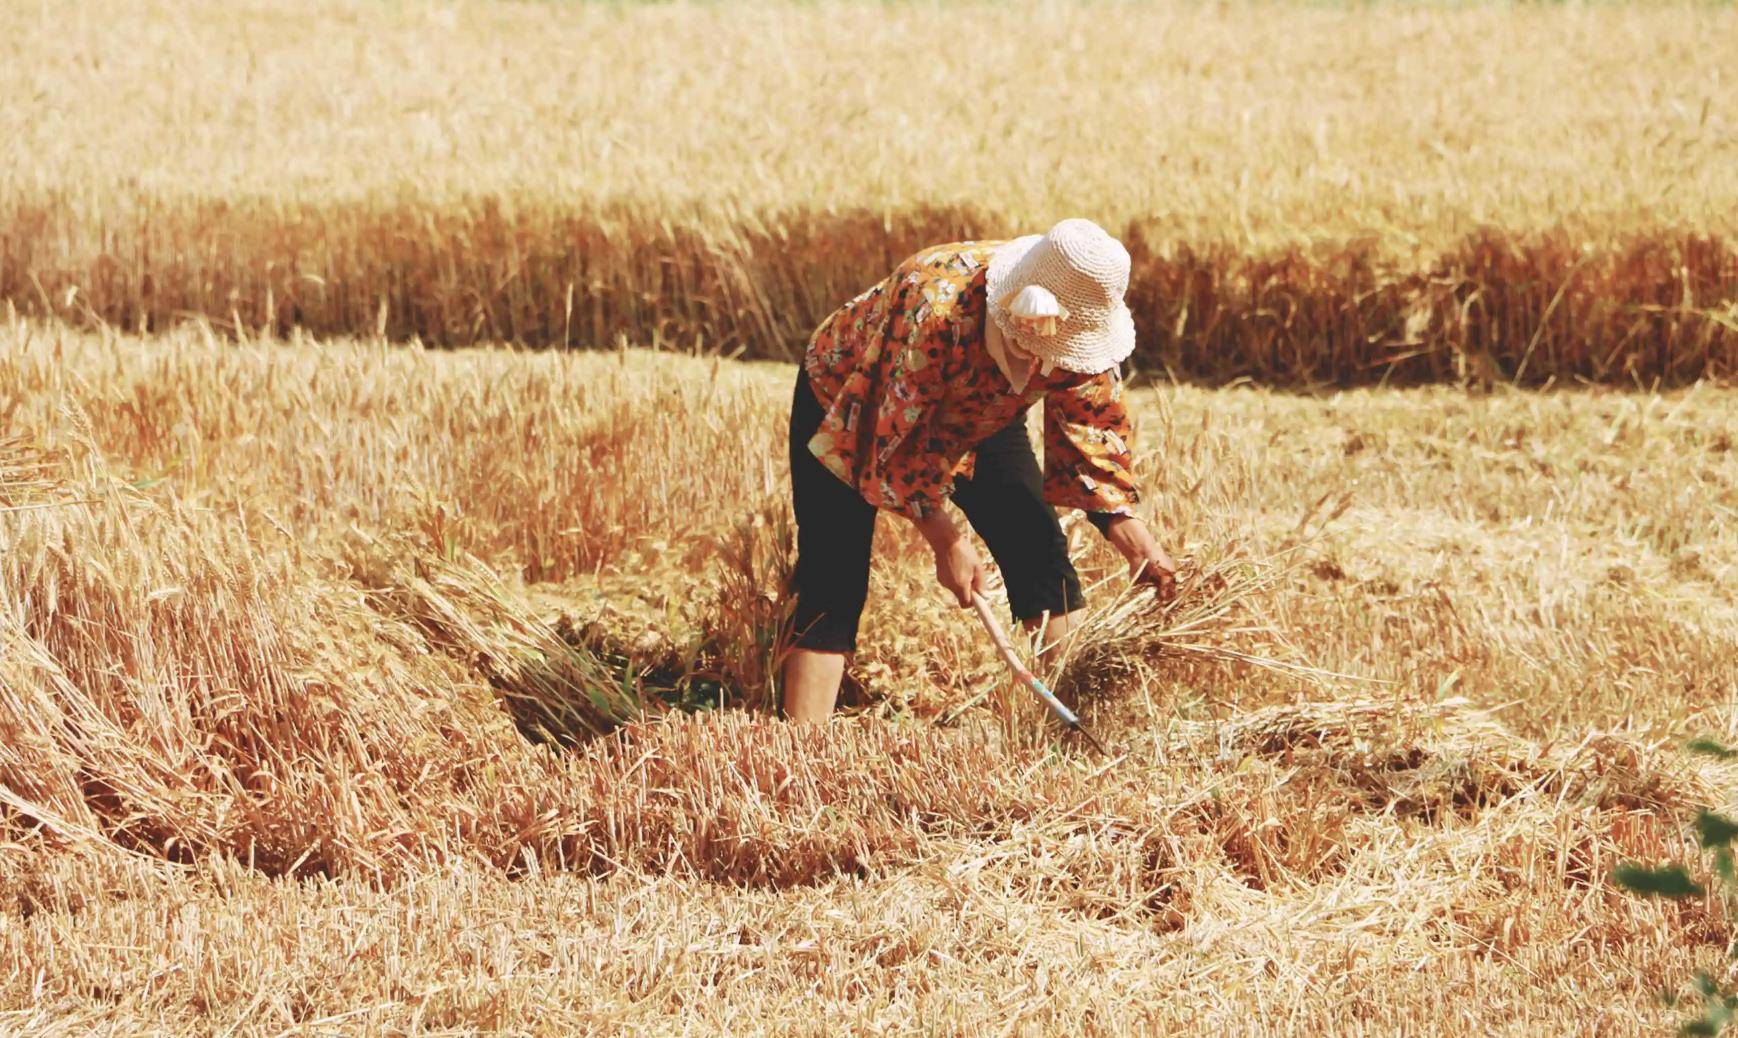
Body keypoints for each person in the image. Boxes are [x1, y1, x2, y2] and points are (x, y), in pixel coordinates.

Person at [783, 218, 1178, 723]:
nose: (1052, 369)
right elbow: (896, 440)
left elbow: (1092, 434)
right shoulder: (935, 305)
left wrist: (1131, 535)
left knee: (1038, 549)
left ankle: (1077, 728)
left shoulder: (1084, 316)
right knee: (834, 571)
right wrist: (947, 542)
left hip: (983, 409)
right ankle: (799, 746)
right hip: (853, 399)